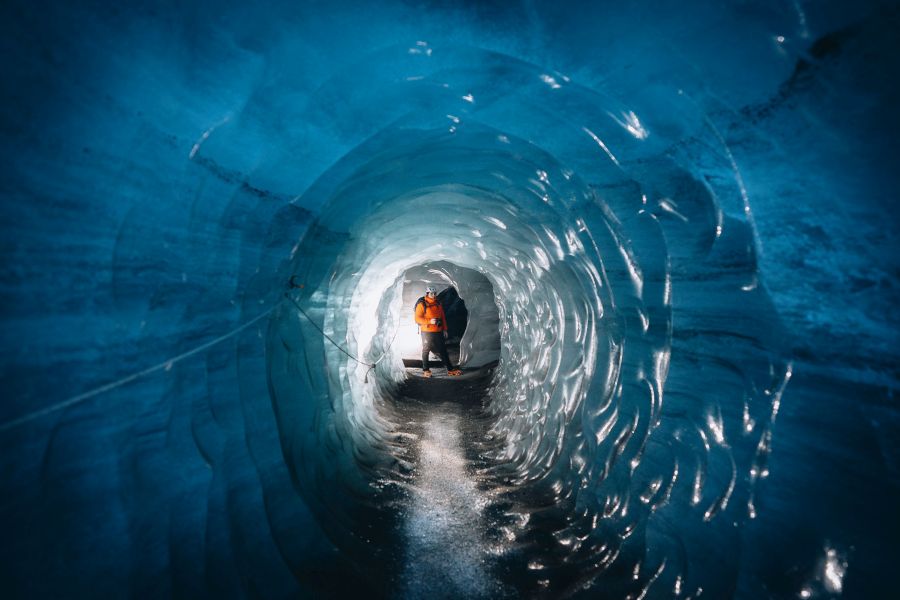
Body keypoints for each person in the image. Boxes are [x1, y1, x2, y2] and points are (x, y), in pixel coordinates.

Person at [414, 286, 462, 378]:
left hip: (438, 331)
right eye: (432, 293)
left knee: (443, 350)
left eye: (435, 293)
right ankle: (426, 370)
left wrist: (445, 329)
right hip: (427, 331)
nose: (434, 295)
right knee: (426, 350)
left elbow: (442, 317)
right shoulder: (422, 304)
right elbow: (417, 318)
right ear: (427, 293)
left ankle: (450, 369)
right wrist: (429, 321)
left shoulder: (438, 303)